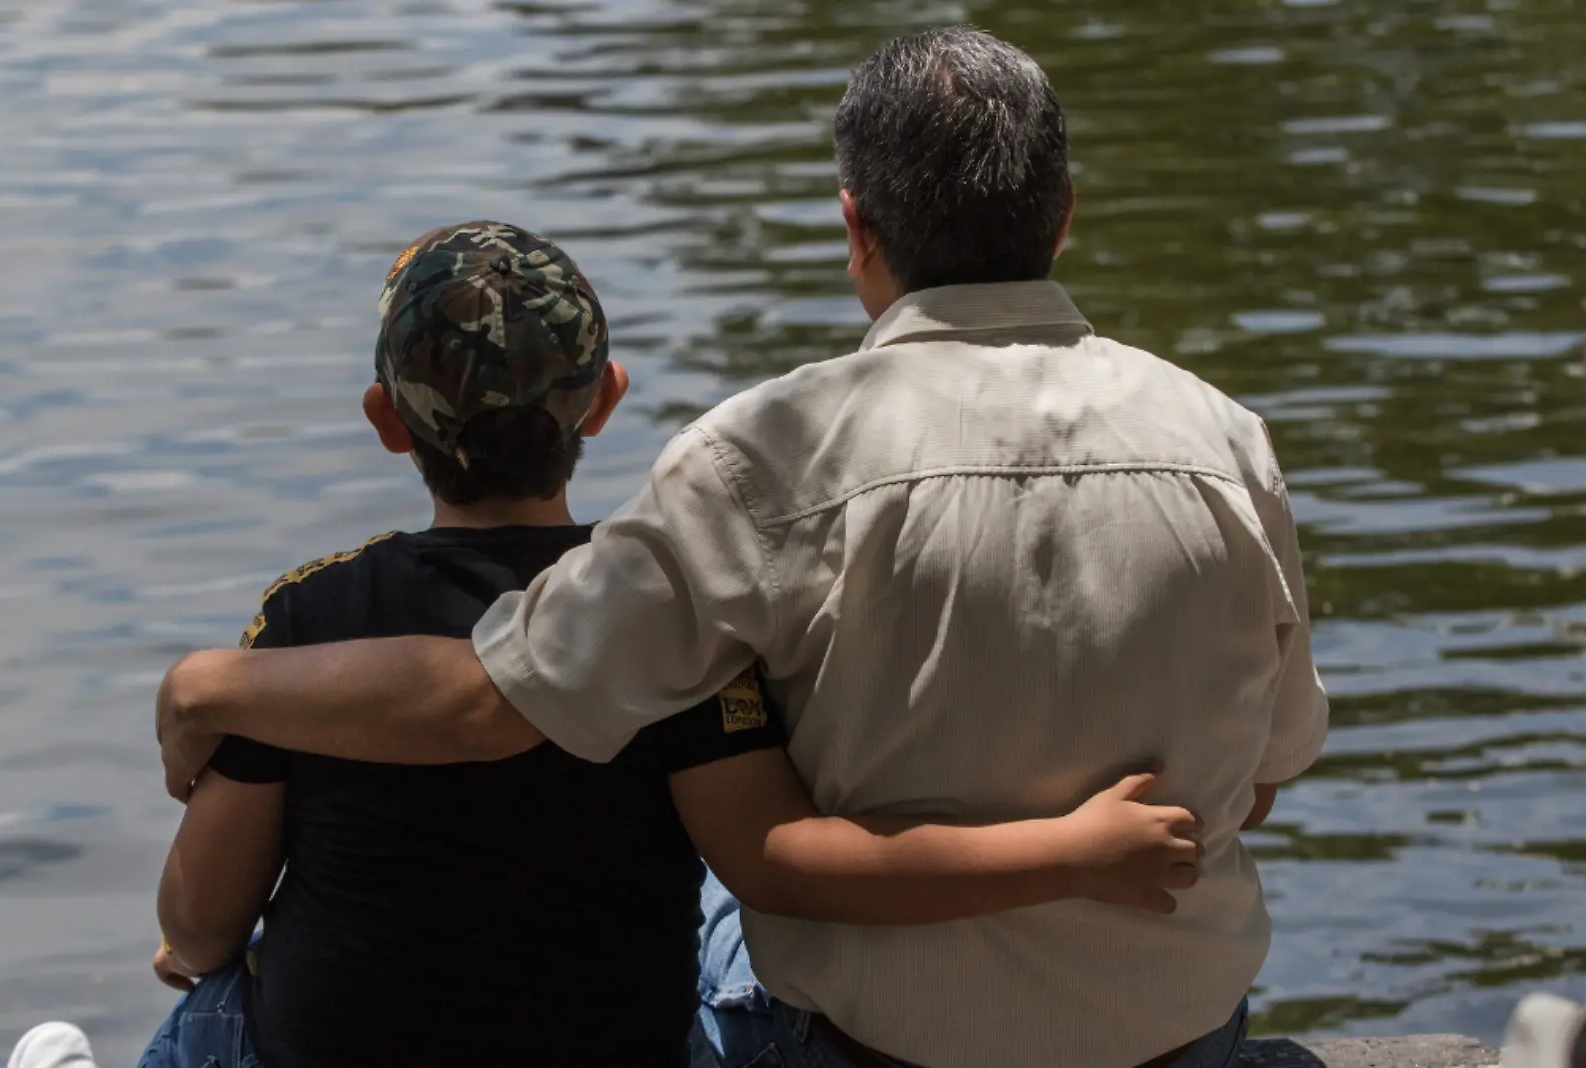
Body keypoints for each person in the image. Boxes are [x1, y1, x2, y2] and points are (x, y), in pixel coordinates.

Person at [155, 26, 1330, 1068]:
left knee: (731, 889)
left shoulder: (768, 460)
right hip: (1181, 1041)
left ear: (854, 228)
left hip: (870, 1050)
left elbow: (488, 703)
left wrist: (211, 683)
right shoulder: (1227, 444)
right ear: (1064, 215)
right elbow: (1263, 777)